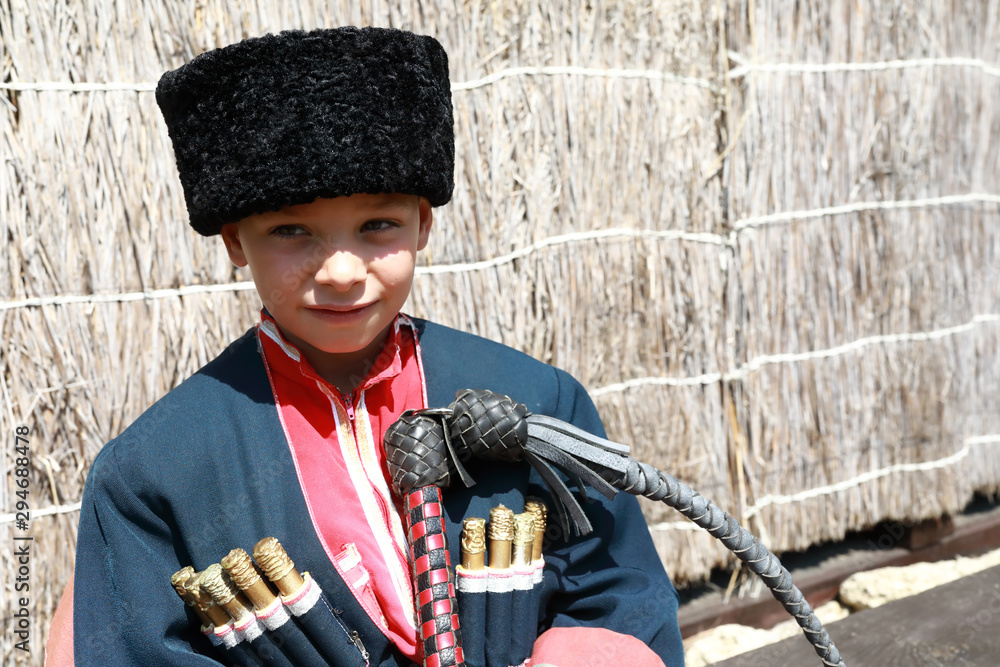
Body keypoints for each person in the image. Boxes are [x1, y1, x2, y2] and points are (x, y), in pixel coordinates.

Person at [56, 26, 685, 666]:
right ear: (235, 242)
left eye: (377, 225)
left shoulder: (539, 402)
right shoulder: (156, 473)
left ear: (423, 223)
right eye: (291, 230)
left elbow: (621, 600)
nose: (341, 272)